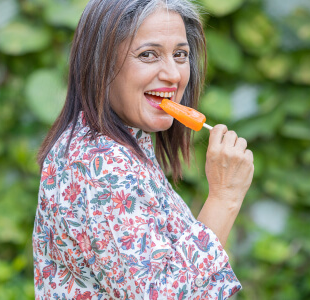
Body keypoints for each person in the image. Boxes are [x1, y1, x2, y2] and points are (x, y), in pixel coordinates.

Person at [32, 0, 254, 299]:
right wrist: (224, 197)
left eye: (180, 54)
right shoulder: (102, 165)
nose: (174, 75)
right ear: (101, 64)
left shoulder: (118, 144)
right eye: (148, 54)